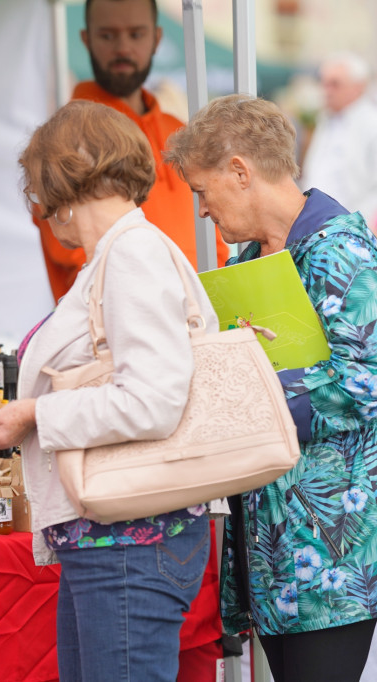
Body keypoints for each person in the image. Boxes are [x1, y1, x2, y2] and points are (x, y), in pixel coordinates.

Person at [0, 100, 216, 682]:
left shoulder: (131, 255)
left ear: (59, 180)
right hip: (116, 540)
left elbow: (153, 400)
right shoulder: (116, 256)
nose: (39, 208)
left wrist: (36, 412)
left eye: (38, 188)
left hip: (130, 543)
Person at [165, 93, 377, 682]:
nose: (203, 210)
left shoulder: (342, 251)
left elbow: (370, 382)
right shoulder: (251, 261)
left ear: (240, 170)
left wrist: (258, 387)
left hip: (332, 554)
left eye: (203, 191)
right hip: (272, 551)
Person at [36, 0, 228, 301]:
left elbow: (215, 237)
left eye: (136, 34)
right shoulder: (63, 140)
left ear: (157, 38)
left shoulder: (178, 131)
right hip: (118, 328)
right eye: (108, 35)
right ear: (86, 39)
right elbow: (78, 254)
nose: (122, 48)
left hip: (202, 319)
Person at [299, 52, 377, 230]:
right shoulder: (326, 120)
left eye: (335, 84)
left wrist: (360, 226)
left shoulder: (372, 124)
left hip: (355, 229)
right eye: (324, 83)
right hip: (319, 226)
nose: (326, 90)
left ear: (359, 86)